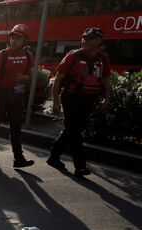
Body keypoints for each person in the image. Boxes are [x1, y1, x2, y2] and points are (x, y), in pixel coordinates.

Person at [48, 28, 111, 177]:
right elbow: (58, 80)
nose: (85, 41)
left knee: (73, 129)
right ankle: (80, 165)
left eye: (89, 38)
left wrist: (107, 98)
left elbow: (106, 79)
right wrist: (55, 102)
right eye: (84, 38)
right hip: (71, 98)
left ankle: (54, 155)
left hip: (89, 98)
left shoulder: (103, 58)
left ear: (99, 41)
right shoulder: (73, 56)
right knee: (76, 132)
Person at [0, 24, 35, 167]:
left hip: (18, 95)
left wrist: (25, 78)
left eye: (18, 38)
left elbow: (30, 74)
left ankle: (18, 158)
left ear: (25, 40)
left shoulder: (28, 56)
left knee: (16, 127)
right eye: (12, 37)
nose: (14, 40)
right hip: (1, 94)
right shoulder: (2, 55)